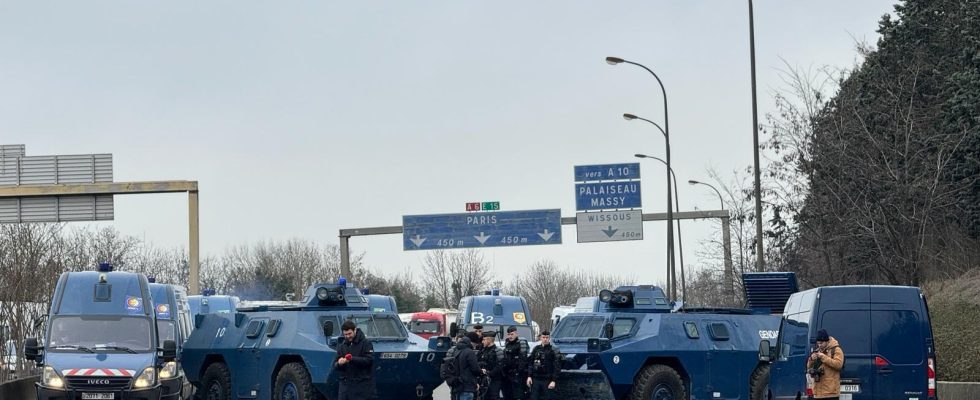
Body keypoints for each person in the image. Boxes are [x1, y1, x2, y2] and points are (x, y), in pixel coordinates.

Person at [335, 320, 377, 400]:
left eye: (349, 333)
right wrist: (339, 363)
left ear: (355, 330)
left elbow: (369, 360)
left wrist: (352, 359)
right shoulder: (342, 346)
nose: (348, 336)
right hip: (346, 387)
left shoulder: (366, 343)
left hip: (362, 386)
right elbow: (335, 365)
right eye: (345, 334)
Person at [807, 329, 844, 400]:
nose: (819, 345)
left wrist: (824, 357)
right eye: (818, 343)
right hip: (818, 393)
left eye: (821, 343)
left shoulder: (836, 350)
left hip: (831, 393)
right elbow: (809, 368)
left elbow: (839, 365)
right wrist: (811, 359)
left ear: (827, 341)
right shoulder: (817, 351)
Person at [526, 331, 561, 400]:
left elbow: (557, 367)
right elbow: (530, 363)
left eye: (547, 337)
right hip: (535, 379)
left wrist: (553, 380)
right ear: (540, 338)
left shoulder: (553, 350)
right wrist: (529, 376)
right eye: (543, 337)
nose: (545, 339)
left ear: (549, 338)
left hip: (547, 380)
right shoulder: (536, 349)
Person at [500, 326, 529, 400]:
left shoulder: (521, 343)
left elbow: (523, 360)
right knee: (507, 395)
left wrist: (518, 372)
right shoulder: (507, 343)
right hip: (507, 374)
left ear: (516, 333)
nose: (510, 336)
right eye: (509, 334)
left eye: (512, 334)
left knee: (518, 396)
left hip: (517, 375)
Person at [452, 335, 483, 400]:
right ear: (472, 342)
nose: (475, 346)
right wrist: (481, 371)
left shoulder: (456, 351)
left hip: (459, 385)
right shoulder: (469, 352)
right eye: (475, 344)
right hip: (468, 386)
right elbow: (475, 369)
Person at [478, 331, 503, 400]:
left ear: (489, 340)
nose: (482, 342)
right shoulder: (482, 351)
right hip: (483, 380)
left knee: (493, 397)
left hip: (494, 381)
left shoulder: (498, 351)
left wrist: (489, 373)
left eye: (484, 339)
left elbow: (500, 366)